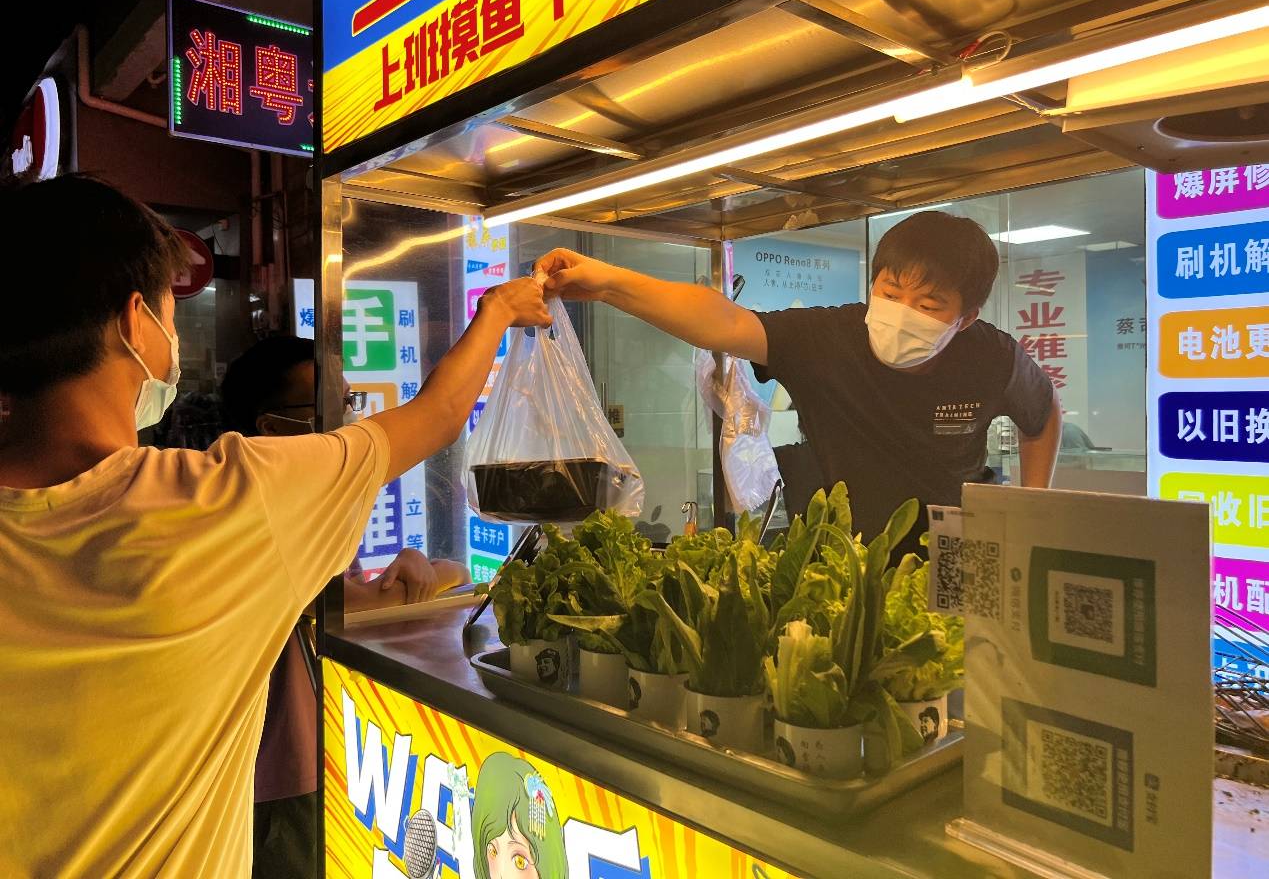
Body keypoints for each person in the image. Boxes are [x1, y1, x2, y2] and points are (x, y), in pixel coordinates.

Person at [0, 174, 550, 877]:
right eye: (170, 309)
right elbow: (438, 415)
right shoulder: (221, 504)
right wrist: (501, 306)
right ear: (136, 322)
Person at [534, 211, 1061, 553]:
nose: (902, 313)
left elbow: (1042, 417)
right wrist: (608, 283)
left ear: (964, 317)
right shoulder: (829, 336)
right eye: (891, 291)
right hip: (842, 550)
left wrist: (1033, 506)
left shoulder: (991, 355)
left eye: (927, 306)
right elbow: (724, 320)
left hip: (955, 551)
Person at [219, 335, 469, 879]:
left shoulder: (296, 505)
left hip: (291, 760)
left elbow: (361, 593)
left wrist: (412, 566)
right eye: (330, 408)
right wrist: (433, 571)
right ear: (271, 428)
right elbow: (382, 596)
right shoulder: (262, 513)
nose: (348, 425)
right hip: (277, 773)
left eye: (350, 404)